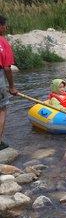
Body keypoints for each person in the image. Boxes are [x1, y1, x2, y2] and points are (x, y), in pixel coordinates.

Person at [0, 15, 18, 150]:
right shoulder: (3, 42)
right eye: (4, 25)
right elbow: (7, 67)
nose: (6, 27)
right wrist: (12, 87)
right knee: (2, 109)